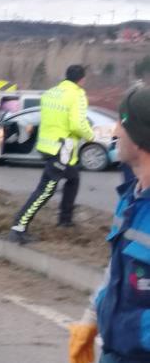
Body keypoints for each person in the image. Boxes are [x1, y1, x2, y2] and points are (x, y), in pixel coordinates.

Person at [68, 87, 150, 363]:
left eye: (121, 124)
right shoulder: (131, 198)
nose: (114, 132)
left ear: (140, 138)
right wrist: (91, 319)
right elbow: (115, 270)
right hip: (116, 350)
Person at [8, 65, 94, 244]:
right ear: (82, 80)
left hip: (48, 146)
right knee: (45, 190)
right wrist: (91, 135)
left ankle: (65, 220)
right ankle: (18, 227)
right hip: (61, 149)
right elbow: (77, 124)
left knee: (73, 179)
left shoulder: (51, 93)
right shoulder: (77, 95)